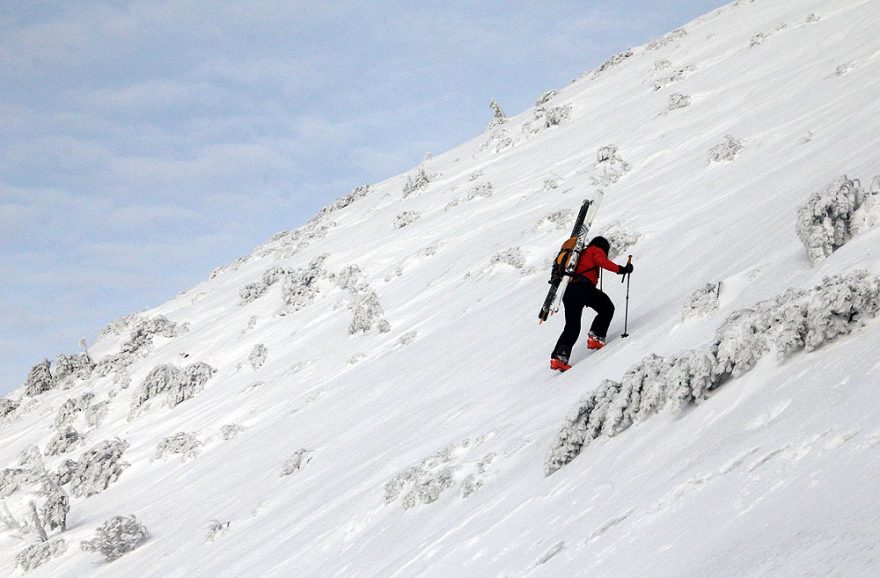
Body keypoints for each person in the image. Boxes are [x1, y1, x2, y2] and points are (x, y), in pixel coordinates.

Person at [550, 236, 632, 371]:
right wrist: (623, 269)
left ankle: (558, 357)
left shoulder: (581, 254)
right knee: (607, 307)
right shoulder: (595, 250)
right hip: (583, 287)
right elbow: (603, 262)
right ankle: (596, 336)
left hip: (568, 291)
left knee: (572, 326)